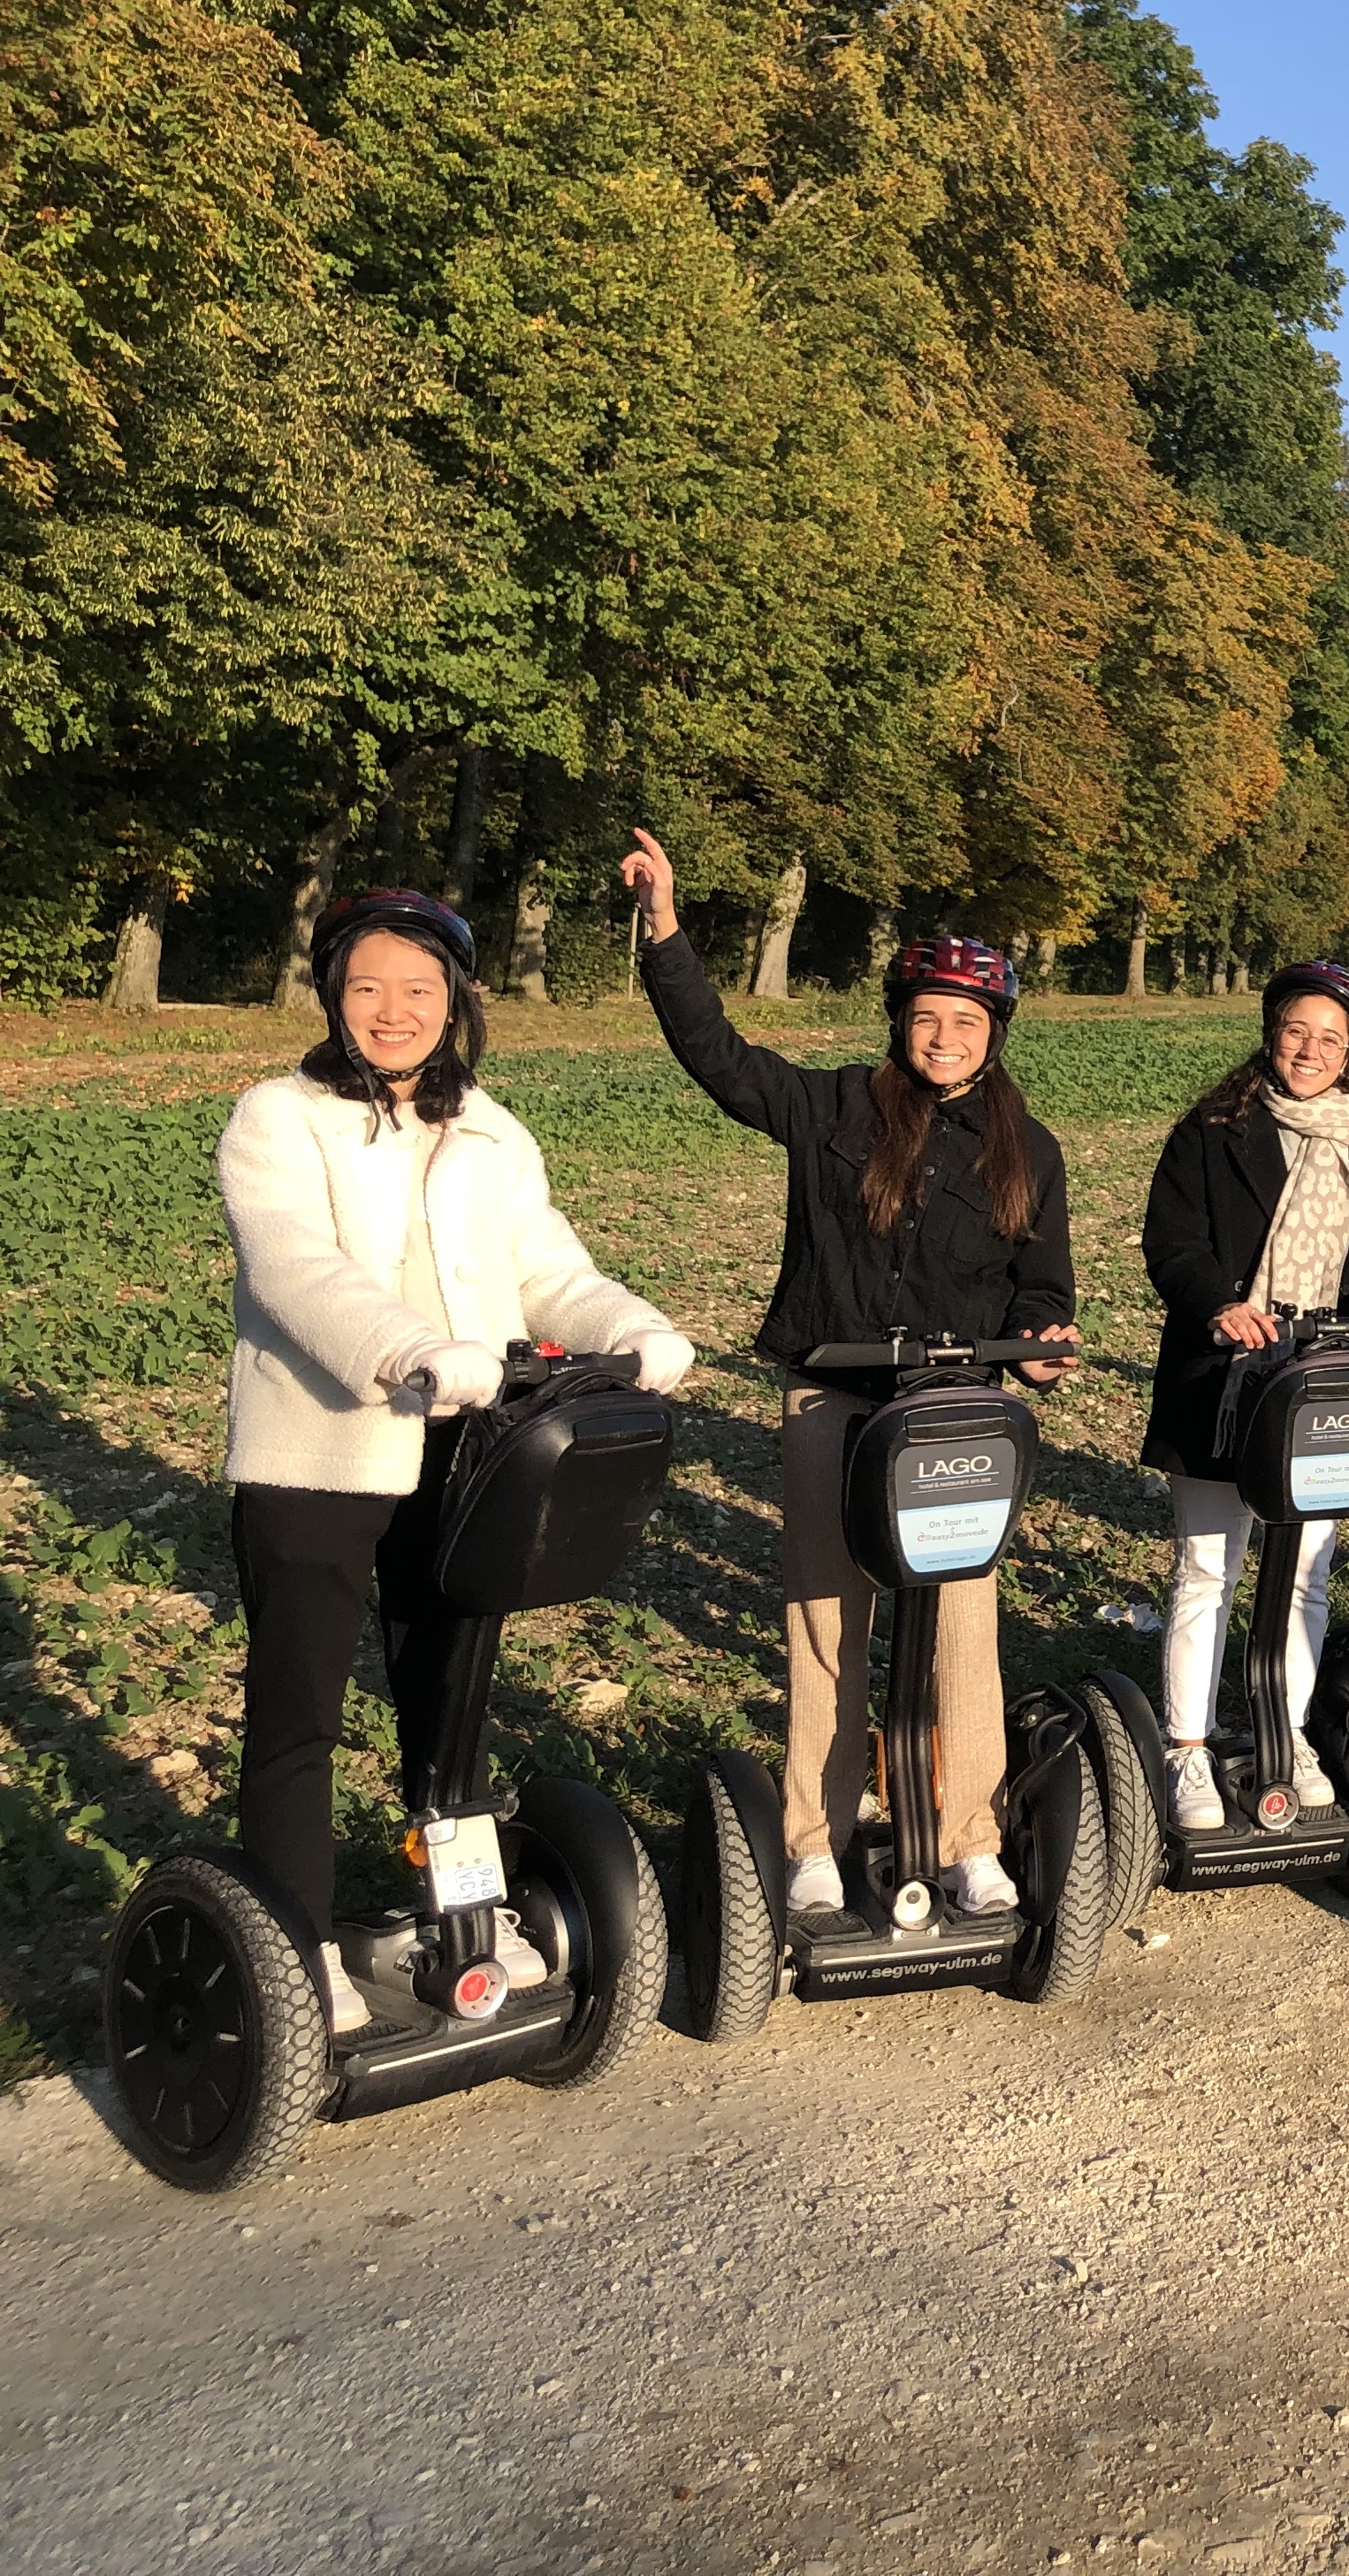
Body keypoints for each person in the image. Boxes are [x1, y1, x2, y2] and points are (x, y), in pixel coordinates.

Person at [217, 889, 697, 2037]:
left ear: (455, 1006)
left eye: (419, 991)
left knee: (450, 1703)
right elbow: (295, 1268)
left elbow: (548, 1272)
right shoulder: (279, 1119)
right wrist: (412, 1351)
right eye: (369, 987)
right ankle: (297, 1946)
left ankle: (463, 1916)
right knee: (302, 1713)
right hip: (318, 1455)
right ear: (334, 996)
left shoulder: (488, 1130)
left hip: (469, 1454)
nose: (394, 1011)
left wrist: (630, 1328)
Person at [620, 828, 1079, 1919]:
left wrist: (1047, 1342)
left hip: (958, 1409)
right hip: (835, 1396)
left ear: (994, 1035)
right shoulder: (832, 1109)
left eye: (967, 1022)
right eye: (927, 1018)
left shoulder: (1030, 1149)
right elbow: (720, 1057)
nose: (945, 1038)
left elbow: (1042, 1285)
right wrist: (668, 933)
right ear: (898, 1023)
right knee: (827, 1615)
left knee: (963, 1619)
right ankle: (816, 1838)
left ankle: (969, 1834)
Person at [1139, 961, 1349, 1827]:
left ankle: (1286, 1732)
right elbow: (1172, 1241)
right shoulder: (1213, 1128)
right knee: (1206, 1567)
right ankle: (1185, 1749)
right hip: (1220, 1374)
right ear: (1271, 1032)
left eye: (1330, 1039)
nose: (1310, 1050)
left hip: (1320, 1381)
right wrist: (1219, 1307)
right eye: (1297, 1031)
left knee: (1306, 1572)